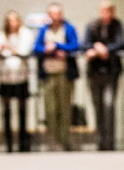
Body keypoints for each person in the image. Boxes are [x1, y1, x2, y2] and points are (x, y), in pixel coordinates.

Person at [35, 3, 80, 151]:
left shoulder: (68, 28)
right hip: (48, 74)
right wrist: (47, 50)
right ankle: (52, 141)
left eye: (58, 13)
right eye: (52, 14)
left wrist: (59, 46)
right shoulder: (43, 30)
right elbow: (36, 47)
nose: (55, 17)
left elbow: (75, 45)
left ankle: (65, 140)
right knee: (50, 109)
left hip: (64, 74)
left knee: (65, 108)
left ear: (61, 14)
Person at [0, 11, 35, 153]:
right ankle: (9, 143)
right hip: (6, 78)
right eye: (9, 20)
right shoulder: (1, 34)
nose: (12, 23)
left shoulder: (25, 33)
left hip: (21, 77)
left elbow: (24, 51)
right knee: (6, 111)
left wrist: (9, 48)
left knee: (22, 111)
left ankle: (23, 142)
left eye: (14, 20)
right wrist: (7, 49)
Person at [84, 1, 124, 152]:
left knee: (109, 105)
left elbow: (120, 43)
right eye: (103, 11)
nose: (106, 14)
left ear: (113, 12)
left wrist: (105, 49)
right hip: (94, 72)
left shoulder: (117, 25)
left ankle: (110, 142)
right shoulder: (91, 25)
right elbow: (85, 44)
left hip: (111, 72)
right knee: (98, 107)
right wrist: (96, 48)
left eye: (109, 11)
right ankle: (100, 142)